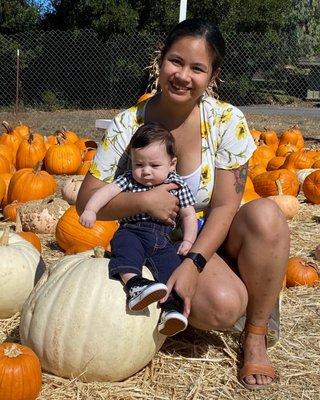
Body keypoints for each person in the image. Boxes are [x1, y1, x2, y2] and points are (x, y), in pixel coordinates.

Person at [76, 18, 290, 390]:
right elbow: (85, 199)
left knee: (268, 216)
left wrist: (194, 263)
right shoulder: (128, 124)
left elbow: (225, 207)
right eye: (175, 62)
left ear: (213, 75)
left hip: (209, 233)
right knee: (223, 307)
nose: (183, 75)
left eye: (197, 68)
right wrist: (144, 200)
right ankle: (213, 294)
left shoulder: (226, 120)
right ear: (160, 61)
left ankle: (255, 336)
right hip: (156, 239)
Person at [79, 122, 198, 336]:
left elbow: (189, 214)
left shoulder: (178, 184)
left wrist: (189, 241)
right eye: (139, 164)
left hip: (163, 239)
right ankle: (134, 284)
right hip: (132, 230)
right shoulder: (128, 180)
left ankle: (170, 310)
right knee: (125, 250)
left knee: (170, 270)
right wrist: (90, 209)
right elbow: (106, 193)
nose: (145, 172)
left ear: (172, 164)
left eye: (154, 165)